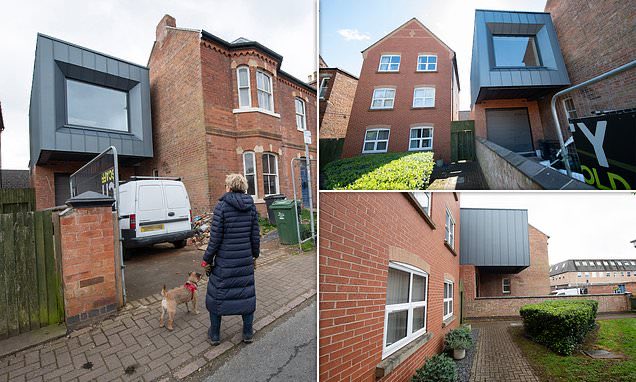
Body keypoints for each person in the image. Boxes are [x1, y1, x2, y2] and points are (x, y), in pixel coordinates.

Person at [201, 174, 260, 345]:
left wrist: (207, 259)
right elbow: (254, 236)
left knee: (216, 296)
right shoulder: (251, 207)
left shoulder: (222, 207)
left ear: (229, 187)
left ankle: (215, 335)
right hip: (244, 260)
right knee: (246, 296)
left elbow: (215, 239)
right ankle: (247, 333)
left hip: (225, 262)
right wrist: (254, 256)